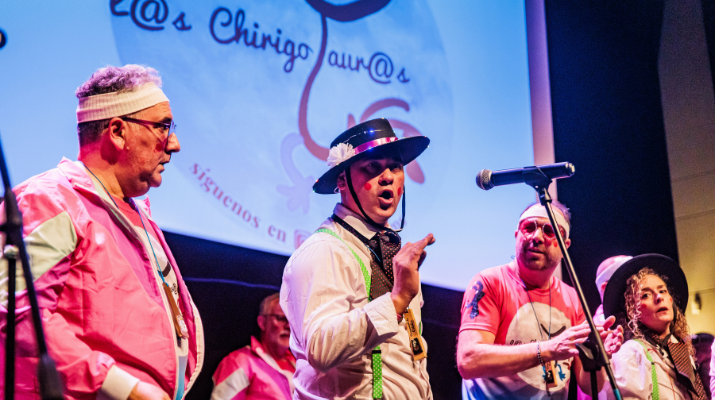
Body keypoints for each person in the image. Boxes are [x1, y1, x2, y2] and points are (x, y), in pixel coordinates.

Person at [0, 65, 204, 400]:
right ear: (118, 131)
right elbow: (16, 313)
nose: (175, 144)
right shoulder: (52, 200)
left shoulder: (135, 213)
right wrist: (125, 389)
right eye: (162, 126)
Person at [280, 118, 435, 399]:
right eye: (372, 167)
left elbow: (407, 355)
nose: (387, 177)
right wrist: (397, 300)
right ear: (342, 180)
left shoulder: (393, 254)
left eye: (395, 167)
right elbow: (321, 349)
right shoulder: (324, 249)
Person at [457, 202, 623, 399]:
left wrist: (599, 357)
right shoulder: (489, 282)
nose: (536, 237)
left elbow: (588, 386)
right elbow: (468, 361)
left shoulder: (572, 297)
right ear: (517, 235)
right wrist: (549, 349)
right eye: (529, 227)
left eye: (549, 231)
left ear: (565, 245)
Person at [603, 254, 708, 400]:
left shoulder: (681, 352)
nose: (659, 297)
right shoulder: (633, 353)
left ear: (671, 300)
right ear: (632, 310)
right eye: (645, 295)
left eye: (663, 291)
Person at [211, 293, 295, 400]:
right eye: (281, 318)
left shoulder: (299, 364)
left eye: (293, 321)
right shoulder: (239, 362)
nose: (288, 326)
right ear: (262, 322)